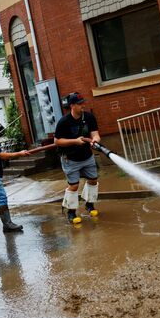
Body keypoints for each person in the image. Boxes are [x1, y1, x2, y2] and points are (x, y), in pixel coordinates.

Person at [54, 92, 101, 224]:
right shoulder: (64, 122)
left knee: (93, 180)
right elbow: (57, 141)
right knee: (74, 186)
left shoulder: (89, 117)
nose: (83, 106)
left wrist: (94, 141)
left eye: (83, 103)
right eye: (80, 104)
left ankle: (89, 205)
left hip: (87, 156)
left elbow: (96, 134)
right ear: (72, 106)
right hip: (71, 159)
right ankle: (71, 212)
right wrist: (75, 141)